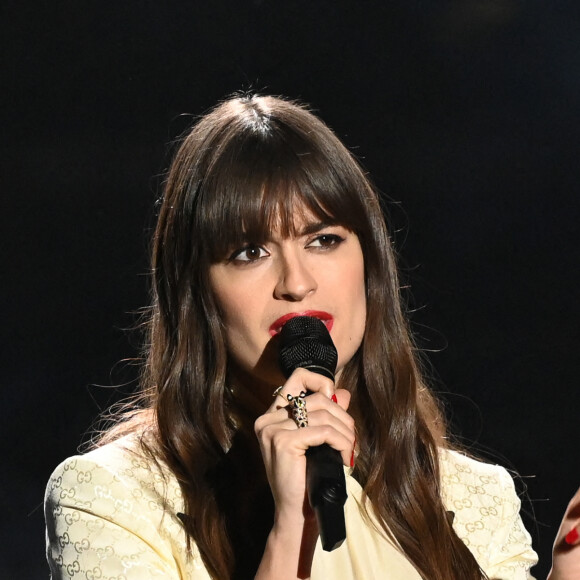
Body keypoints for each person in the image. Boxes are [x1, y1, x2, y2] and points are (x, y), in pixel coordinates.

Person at [44, 94, 569, 579]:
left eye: (324, 239)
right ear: (195, 293)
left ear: (370, 266)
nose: (297, 283)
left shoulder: (470, 495)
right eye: (250, 252)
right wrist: (291, 527)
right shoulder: (113, 496)